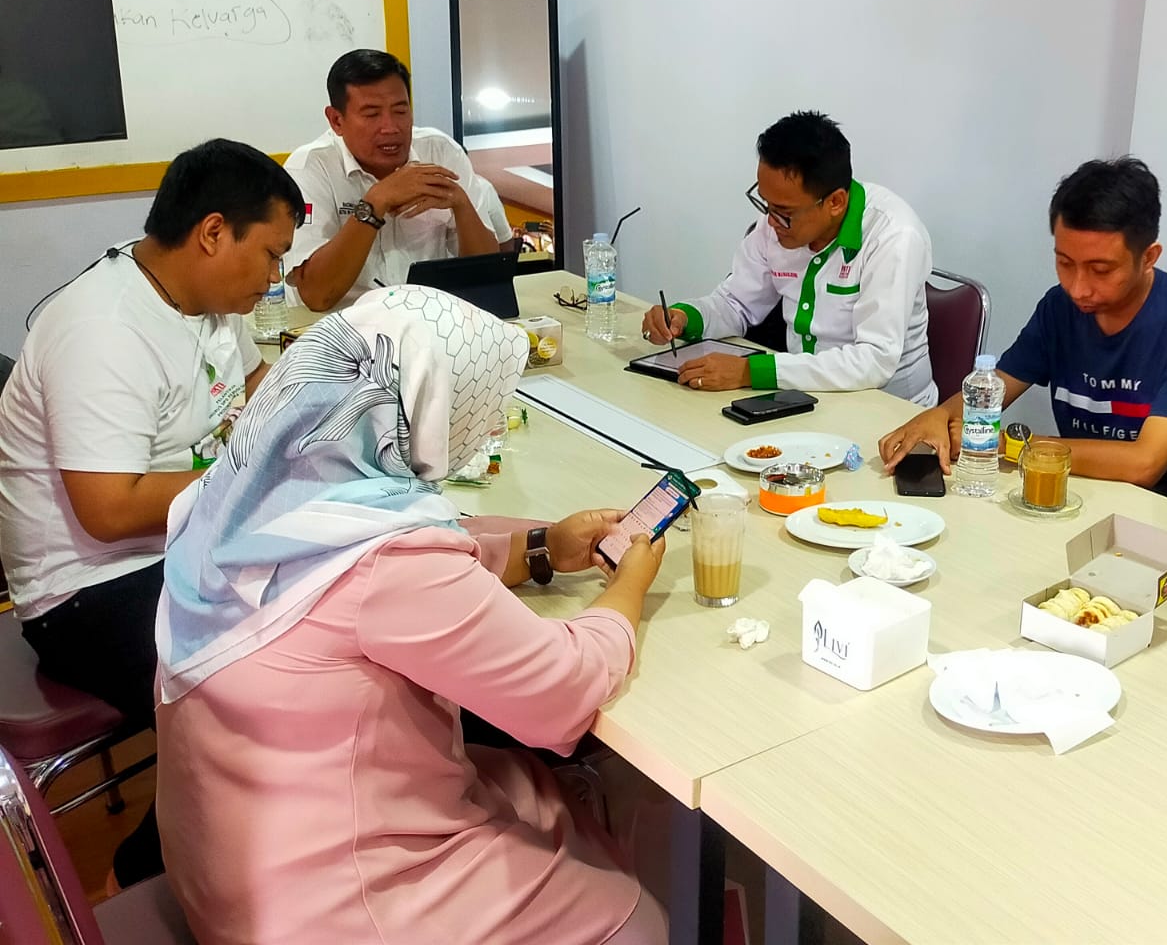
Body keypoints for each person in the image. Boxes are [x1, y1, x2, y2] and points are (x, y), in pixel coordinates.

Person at [155, 285, 667, 945]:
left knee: (534, 789)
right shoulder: (392, 564)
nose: (484, 428)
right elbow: (562, 690)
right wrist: (629, 589)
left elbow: (416, 571)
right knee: (635, 915)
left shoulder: (247, 498)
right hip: (338, 906)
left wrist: (539, 547)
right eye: (476, 411)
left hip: (232, 863)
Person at [0, 138, 302, 888]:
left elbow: (256, 390)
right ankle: (146, 870)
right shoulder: (102, 327)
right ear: (213, 233)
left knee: (333, 609)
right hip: (84, 593)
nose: (275, 278)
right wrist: (251, 472)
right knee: (271, 698)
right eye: (271, 256)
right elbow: (108, 510)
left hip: (181, 549)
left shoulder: (206, 301)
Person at [879, 157, 1167, 501]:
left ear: (1149, 257)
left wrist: (1016, 447)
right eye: (1064, 262)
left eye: (1101, 270)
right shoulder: (1060, 308)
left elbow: (1145, 463)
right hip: (1080, 490)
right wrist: (939, 415)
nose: (1078, 288)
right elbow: (996, 386)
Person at [641, 110, 937, 404]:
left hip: (890, 412)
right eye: (765, 203)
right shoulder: (777, 224)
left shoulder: (893, 236)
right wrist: (684, 318)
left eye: (784, 211)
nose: (770, 222)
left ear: (835, 202)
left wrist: (750, 372)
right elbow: (735, 305)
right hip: (802, 397)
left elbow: (875, 360)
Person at [285, 48, 514, 311]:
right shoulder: (310, 167)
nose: (391, 127)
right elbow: (317, 295)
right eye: (372, 114)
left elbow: (486, 280)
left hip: (430, 320)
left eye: (400, 111)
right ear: (336, 120)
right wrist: (375, 202)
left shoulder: (441, 152)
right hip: (344, 325)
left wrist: (462, 206)